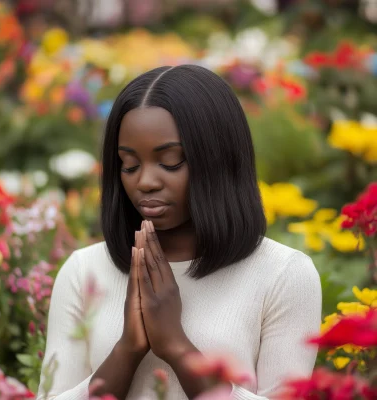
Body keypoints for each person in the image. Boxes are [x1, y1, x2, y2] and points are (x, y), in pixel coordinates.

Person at [36, 65, 322, 400]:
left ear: (218, 159)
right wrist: (127, 350)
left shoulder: (283, 274)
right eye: (129, 165)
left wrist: (176, 345)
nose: (145, 182)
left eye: (170, 162)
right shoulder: (83, 271)